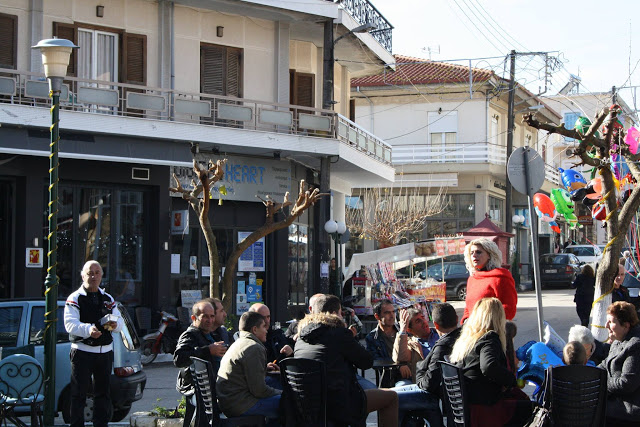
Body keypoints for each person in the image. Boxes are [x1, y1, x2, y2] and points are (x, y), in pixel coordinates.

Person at [294, 294, 399, 427]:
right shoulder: (338, 333)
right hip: (337, 404)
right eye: (340, 313)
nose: (342, 316)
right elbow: (366, 362)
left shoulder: (301, 337)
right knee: (391, 397)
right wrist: (349, 336)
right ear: (334, 314)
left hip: (306, 404)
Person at [450, 298, 532, 427]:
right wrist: (511, 380)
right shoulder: (489, 338)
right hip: (485, 408)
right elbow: (489, 366)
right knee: (531, 408)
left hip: (469, 405)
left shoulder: (466, 339)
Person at [64, 260, 123, 427]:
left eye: (97, 273)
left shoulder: (108, 298)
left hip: (105, 352)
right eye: (90, 272)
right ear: (83, 275)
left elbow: (119, 323)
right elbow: (69, 324)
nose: (93, 276)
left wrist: (114, 325)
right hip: (82, 352)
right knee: (78, 394)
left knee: (103, 394)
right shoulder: (74, 298)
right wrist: (88, 330)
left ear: (102, 276)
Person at [216, 311, 281, 423]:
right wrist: (283, 393)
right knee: (290, 402)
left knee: (274, 381)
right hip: (241, 405)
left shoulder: (239, 342)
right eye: (263, 327)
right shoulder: (254, 348)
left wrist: (263, 369)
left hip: (229, 401)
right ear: (254, 329)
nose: (266, 330)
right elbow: (259, 391)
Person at [174, 300, 228, 427]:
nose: (209, 320)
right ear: (194, 318)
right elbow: (178, 358)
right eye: (205, 316)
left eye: (212, 316)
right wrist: (207, 350)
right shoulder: (190, 335)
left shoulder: (212, 334)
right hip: (201, 390)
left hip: (214, 387)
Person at [599, 301, 640, 425]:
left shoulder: (635, 345)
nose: (606, 325)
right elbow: (604, 365)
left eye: (611, 322)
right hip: (614, 406)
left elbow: (626, 383)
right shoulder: (618, 340)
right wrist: (586, 374)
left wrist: (601, 381)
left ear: (626, 325)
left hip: (627, 414)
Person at [461, 238, 518, 323]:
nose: (474, 255)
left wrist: (487, 322)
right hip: (471, 331)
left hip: (492, 331)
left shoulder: (500, 277)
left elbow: (509, 309)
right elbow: (468, 307)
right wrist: (465, 321)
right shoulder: (472, 278)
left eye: (478, 252)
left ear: (489, 255)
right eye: (471, 253)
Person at [416, 302, 462, 397]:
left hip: (441, 395)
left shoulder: (442, 347)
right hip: (455, 393)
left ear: (436, 325)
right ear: (457, 319)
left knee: (393, 396)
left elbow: (428, 384)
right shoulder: (466, 338)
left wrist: (419, 373)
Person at [393, 307, 439, 383]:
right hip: (425, 382)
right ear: (409, 330)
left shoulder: (439, 333)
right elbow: (399, 357)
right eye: (418, 321)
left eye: (423, 318)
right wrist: (402, 330)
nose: (424, 322)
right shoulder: (410, 344)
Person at [366, 299, 405, 386]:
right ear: (377, 316)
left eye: (393, 312)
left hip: (409, 374)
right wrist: (398, 366)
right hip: (389, 379)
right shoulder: (372, 338)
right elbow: (376, 362)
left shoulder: (404, 331)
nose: (392, 316)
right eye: (387, 313)